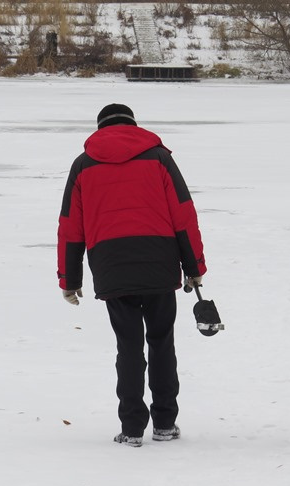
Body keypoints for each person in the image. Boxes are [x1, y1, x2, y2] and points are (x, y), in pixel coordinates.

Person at [57, 103, 207, 447]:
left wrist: (70, 278)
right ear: (133, 126)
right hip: (159, 260)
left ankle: (132, 428)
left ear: (100, 129)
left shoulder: (84, 165)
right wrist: (194, 267)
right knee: (161, 342)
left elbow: (71, 226)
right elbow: (183, 214)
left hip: (111, 264)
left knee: (128, 347)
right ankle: (165, 423)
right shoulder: (158, 158)